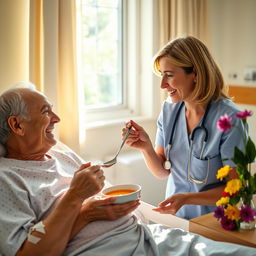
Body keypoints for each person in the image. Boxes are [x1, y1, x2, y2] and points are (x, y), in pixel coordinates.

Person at [0, 84, 140, 256]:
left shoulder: (63, 156)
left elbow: (101, 200)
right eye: (45, 112)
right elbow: (29, 252)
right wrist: (77, 200)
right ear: (17, 125)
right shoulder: (5, 178)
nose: (57, 118)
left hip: (137, 236)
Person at [122, 36, 246, 220]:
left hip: (214, 223)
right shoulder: (169, 110)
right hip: (176, 220)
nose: (162, 84)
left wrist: (188, 198)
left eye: (169, 75)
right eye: (161, 75)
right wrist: (145, 146)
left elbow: (236, 188)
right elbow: (162, 172)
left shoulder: (229, 119)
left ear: (195, 74)